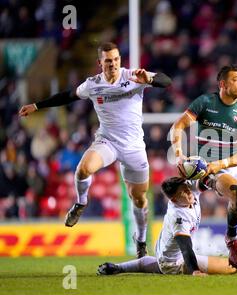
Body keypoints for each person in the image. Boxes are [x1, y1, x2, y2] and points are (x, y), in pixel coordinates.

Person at [18, 42, 172, 258]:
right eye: (108, 61)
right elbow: (68, 95)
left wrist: (151, 80)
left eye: (116, 59)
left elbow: (167, 81)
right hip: (107, 141)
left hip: (133, 146)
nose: (113, 64)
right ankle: (80, 203)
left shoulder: (134, 76)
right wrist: (37, 106)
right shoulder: (92, 84)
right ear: (100, 63)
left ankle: (141, 240)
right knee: (83, 169)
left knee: (139, 199)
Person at [170, 65, 237, 275]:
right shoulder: (205, 102)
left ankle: (235, 245)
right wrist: (178, 155)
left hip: (233, 164)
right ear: (223, 84)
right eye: (236, 79)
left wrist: (219, 164)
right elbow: (178, 126)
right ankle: (232, 240)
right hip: (213, 170)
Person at [97, 176, 237, 276]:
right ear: (174, 199)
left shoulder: (189, 191)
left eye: (186, 188)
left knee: (159, 262)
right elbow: (186, 249)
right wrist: (195, 271)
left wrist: (211, 178)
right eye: (183, 192)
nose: (188, 192)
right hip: (174, 263)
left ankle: (118, 268)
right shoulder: (178, 217)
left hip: (164, 256)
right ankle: (121, 268)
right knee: (231, 268)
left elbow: (203, 182)